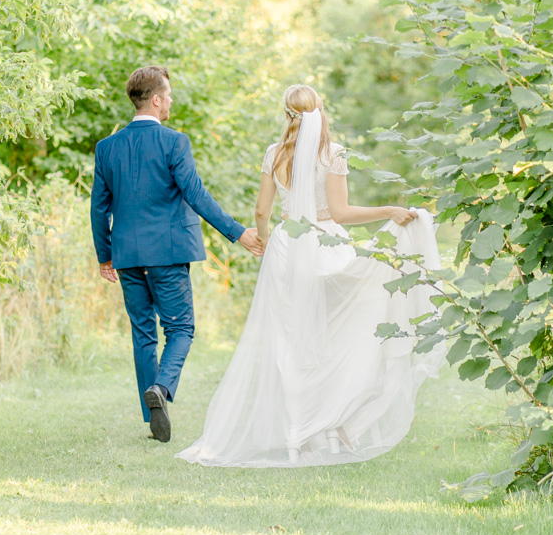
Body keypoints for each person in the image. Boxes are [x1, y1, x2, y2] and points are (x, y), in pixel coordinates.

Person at [176, 85, 444, 467]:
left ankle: (296, 436)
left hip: (287, 249)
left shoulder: (274, 153)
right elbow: (340, 213)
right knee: (341, 335)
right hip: (327, 246)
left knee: (292, 343)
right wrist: (387, 210)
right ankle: (333, 425)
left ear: (287, 114)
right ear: (321, 112)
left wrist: (266, 241)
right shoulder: (332, 154)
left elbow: (260, 211)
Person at [91, 65, 266, 443]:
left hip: (126, 255)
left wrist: (105, 255)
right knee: (181, 329)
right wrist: (238, 233)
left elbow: (98, 207)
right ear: (155, 99)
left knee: (143, 333)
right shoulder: (174, 143)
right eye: (167, 95)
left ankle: (151, 411)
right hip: (168, 253)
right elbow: (196, 194)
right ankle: (162, 390)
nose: (170, 100)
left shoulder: (107, 148)